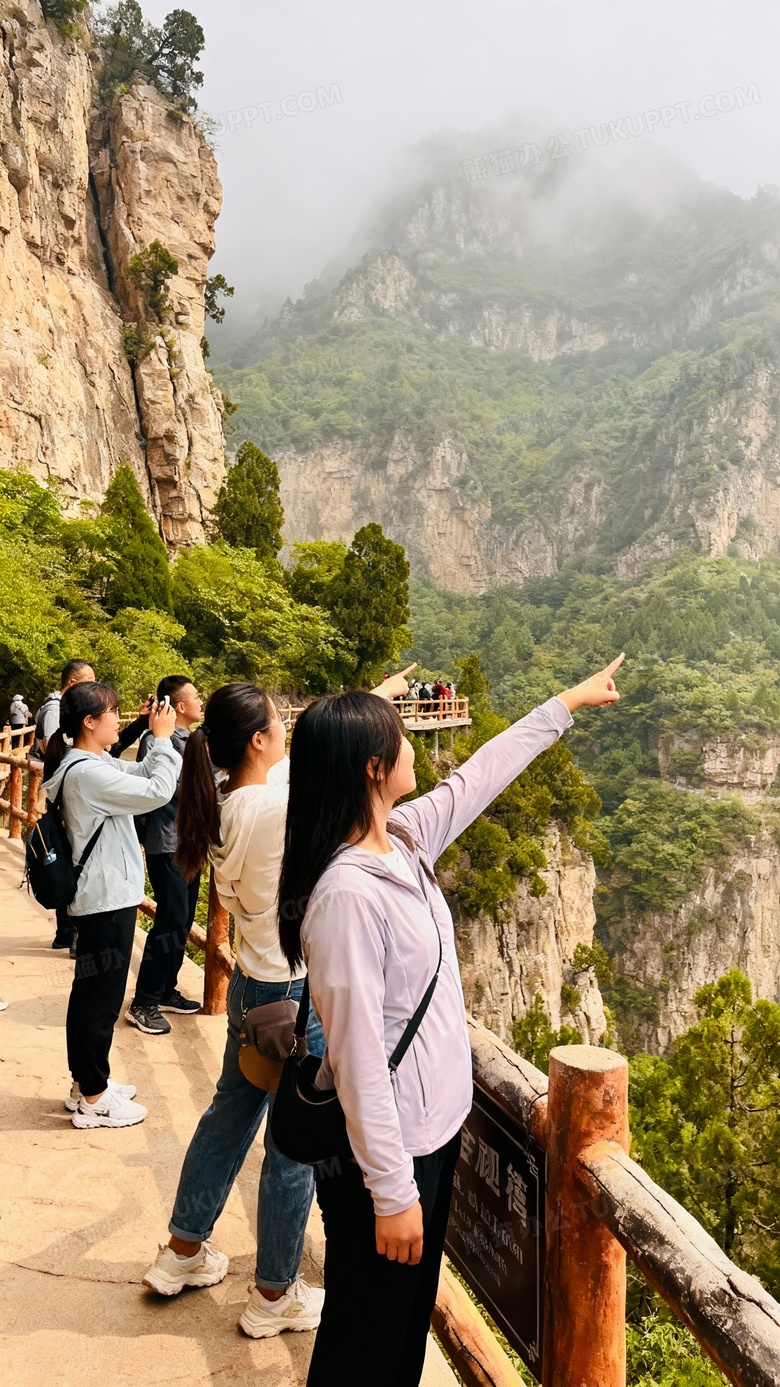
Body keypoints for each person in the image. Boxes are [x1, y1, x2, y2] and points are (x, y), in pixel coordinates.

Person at [277, 654, 625, 1387]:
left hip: (427, 1142)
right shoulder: (345, 896)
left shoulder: (401, 839)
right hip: (388, 1159)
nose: (413, 743)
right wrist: (394, 1192)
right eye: (400, 734)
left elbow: (479, 777)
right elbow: (361, 1058)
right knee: (362, 1342)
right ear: (374, 767)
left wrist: (566, 702)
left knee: (398, 1336)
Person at [143, 668, 415, 1338]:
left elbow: (303, 764)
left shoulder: (223, 802)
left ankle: (182, 1251)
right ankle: (273, 1291)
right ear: (261, 740)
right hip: (295, 999)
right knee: (295, 1143)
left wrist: (370, 698)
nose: (287, 734)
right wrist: (369, 711)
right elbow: (321, 770)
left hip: (249, 992)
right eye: (279, 725)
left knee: (226, 1120)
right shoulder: (273, 809)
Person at [43, 682, 180, 1129]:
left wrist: (148, 733)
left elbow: (140, 779)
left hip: (104, 896)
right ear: (89, 722)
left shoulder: (90, 764)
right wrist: (160, 740)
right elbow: (158, 790)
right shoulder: (87, 774)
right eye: (113, 713)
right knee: (100, 999)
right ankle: (94, 1098)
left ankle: (86, 1081)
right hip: (104, 899)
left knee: (91, 995)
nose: (117, 719)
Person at [126, 677, 203, 1036]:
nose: (200, 700)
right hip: (166, 842)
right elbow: (157, 789)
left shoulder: (193, 740)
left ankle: (166, 989)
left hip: (188, 843)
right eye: (196, 696)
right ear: (180, 706)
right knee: (170, 921)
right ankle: (143, 1002)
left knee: (183, 922)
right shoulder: (156, 741)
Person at [35, 660, 96, 950]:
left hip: (66, 791)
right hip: (64, 794)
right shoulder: (55, 709)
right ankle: (68, 933)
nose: (94, 686)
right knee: (67, 859)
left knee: (70, 858)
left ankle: (67, 932)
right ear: (73, 683)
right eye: (90, 680)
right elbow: (51, 746)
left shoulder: (63, 708)